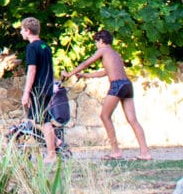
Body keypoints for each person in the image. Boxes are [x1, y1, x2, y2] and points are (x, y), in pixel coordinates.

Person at [63, 29, 152, 160]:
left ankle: (115, 151)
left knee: (105, 116)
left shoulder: (103, 50)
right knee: (133, 120)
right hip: (127, 85)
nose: (96, 45)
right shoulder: (115, 54)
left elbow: (86, 63)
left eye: (96, 42)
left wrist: (69, 74)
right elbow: (105, 72)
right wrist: (85, 75)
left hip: (117, 85)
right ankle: (145, 153)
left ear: (101, 41)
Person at [19, 17, 58, 163]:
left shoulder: (32, 48)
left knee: (43, 121)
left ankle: (51, 153)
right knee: (35, 119)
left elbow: (32, 70)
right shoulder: (44, 46)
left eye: (22, 30)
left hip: (39, 89)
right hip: (48, 87)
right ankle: (56, 141)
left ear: (28, 31)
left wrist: (26, 92)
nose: (21, 33)